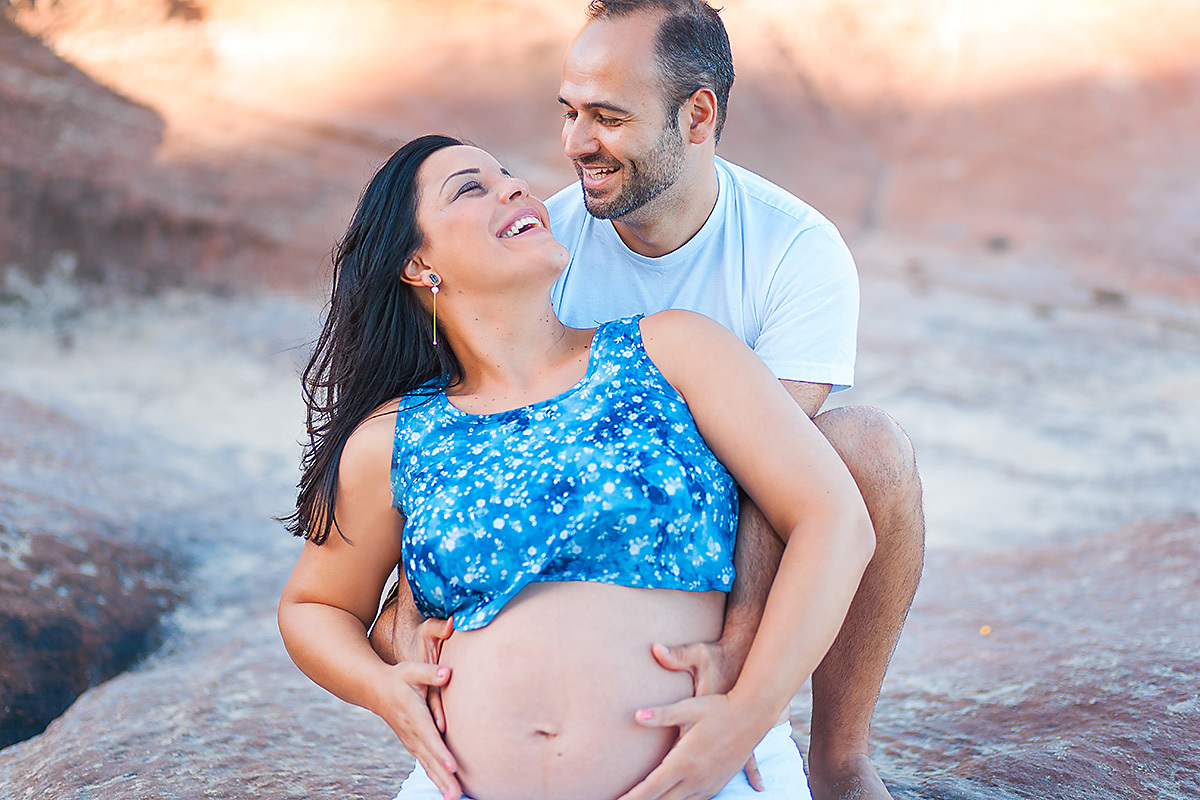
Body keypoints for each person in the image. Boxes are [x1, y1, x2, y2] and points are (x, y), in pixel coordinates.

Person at [373, 2, 925, 800]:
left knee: (865, 446)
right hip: (586, 537)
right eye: (569, 112)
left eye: (607, 117)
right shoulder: (539, 254)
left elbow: (765, 480)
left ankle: (839, 757)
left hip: (716, 526)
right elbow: (454, 448)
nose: (573, 145)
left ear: (697, 115)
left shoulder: (795, 252)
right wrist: (415, 641)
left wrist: (740, 667)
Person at [278, 135, 874, 800]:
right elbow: (316, 604)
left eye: (508, 175)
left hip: (711, 777)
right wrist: (382, 688)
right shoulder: (395, 435)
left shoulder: (672, 349)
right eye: (470, 188)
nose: (514, 187)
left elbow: (835, 520)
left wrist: (748, 714)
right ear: (418, 263)